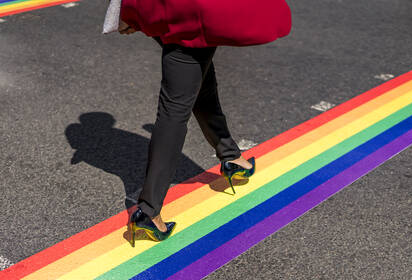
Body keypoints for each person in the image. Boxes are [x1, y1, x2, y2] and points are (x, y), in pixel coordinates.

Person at [117, 0, 291, 246]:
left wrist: (129, 11)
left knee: (199, 81)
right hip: (195, 11)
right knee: (175, 108)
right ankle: (148, 209)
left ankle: (231, 156)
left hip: (163, 9)